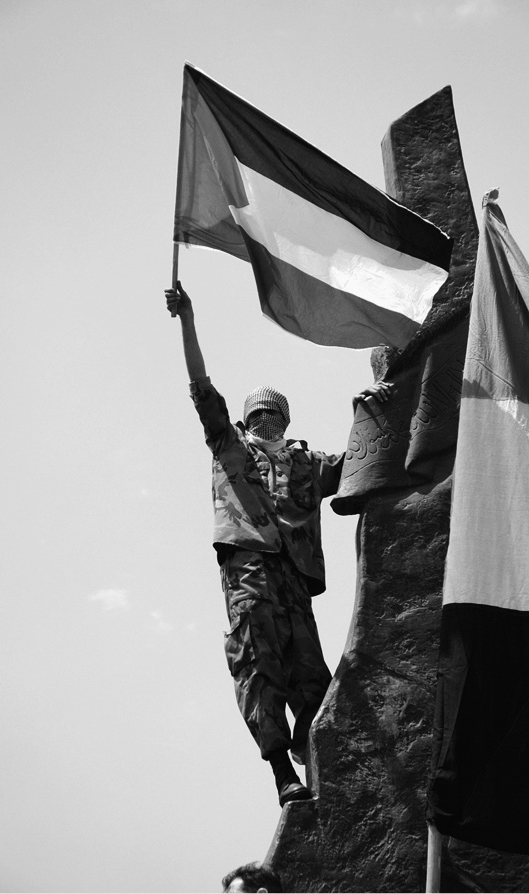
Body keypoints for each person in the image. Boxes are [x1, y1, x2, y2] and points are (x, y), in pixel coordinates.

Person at [166, 282, 392, 806]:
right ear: (245, 421)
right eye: (258, 414)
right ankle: (280, 776)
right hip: (249, 569)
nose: (266, 420)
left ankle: (311, 755)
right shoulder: (229, 445)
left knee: (313, 681)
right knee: (257, 665)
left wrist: (376, 404)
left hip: (294, 582)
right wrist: (188, 320)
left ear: (286, 420)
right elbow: (201, 386)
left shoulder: (307, 464)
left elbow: (362, 459)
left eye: (275, 414)